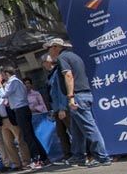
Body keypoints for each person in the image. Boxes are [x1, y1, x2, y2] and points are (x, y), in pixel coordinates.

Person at [44, 38, 112, 167]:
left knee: (89, 128)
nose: (49, 52)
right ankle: (78, 156)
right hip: (84, 94)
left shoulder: (62, 58)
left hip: (77, 96)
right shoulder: (75, 57)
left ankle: (102, 157)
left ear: (55, 47)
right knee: (76, 130)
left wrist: (70, 97)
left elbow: (68, 75)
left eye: (49, 48)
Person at [2, 65, 49, 169]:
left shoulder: (12, 82)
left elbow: (4, 94)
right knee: (30, 134)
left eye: (3, 75)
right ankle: (43, 156)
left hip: (20, 109)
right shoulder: (17, 81)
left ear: (6, 73)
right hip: (21, 108)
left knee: (27, 135)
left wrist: (3, 86)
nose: (3, 78)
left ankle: (36, 159)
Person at [42, 53, 73, 164]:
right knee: (61, 133)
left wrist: (62, 108)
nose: (43, 64)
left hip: (61, 107)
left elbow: (60, 91)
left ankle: (82, 152)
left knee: (71, 130)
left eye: (44, 62)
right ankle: (68, 154)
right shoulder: (50, 75)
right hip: (55, 108)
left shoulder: (57, 73)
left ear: (48, 62)